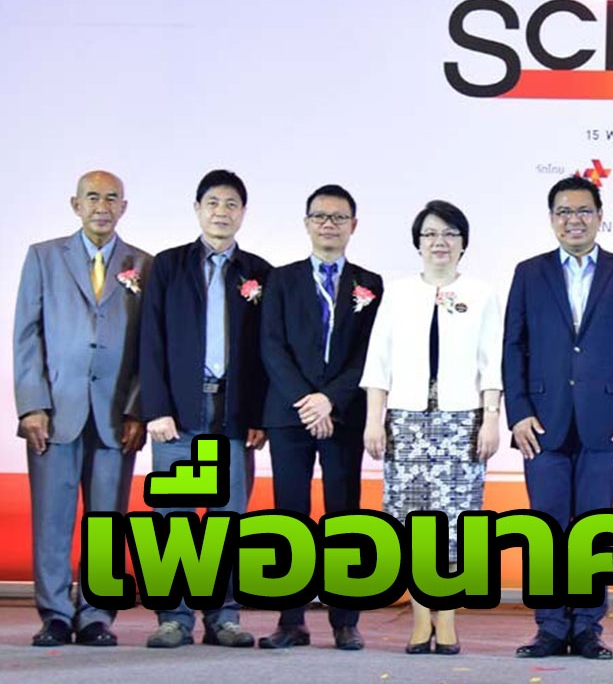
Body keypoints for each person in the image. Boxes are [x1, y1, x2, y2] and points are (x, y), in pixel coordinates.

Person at [503, 175, 613, 660]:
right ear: (551, 219)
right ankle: (549, 627)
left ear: (600, 216)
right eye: (563, 211)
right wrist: (518, 413)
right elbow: (514, 346)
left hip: (605, 422)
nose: (574, 220)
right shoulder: (529, 272)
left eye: (583, 210)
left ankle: (587, 627)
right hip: (541, 421)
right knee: (546, 526)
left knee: (594, 526)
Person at [14, 171, 151, 647]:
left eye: (112, 199)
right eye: (93, 197)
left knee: (107, 520)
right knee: (51, 517)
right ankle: (54, 613)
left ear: (123, 208)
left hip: (116, 416)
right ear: (75, 204)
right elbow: (27, 334)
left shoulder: (143, 264)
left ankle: (96, 615)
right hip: (56, 411)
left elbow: (149, 346)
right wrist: (32, 404)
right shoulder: (44, 257)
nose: (102, 206)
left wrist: (137, 409)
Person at [139, 169, 272, 648]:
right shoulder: (169, 266)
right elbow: (150, 339)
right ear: (197, 209)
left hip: (232, 412)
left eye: (232, 204)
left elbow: (266, 351)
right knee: (172, 517)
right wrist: (156, 407)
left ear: (243, 213)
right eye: (213, 202)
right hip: (177, 412)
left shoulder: (259, 272)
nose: (222, 212)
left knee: (226, 519)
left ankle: (223, 617)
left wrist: (258, 415)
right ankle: (173, 618)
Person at [361, 200, 501, 655]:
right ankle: (422, 620)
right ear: (418, 242)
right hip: (407, 422)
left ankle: (449, 620)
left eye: (449, 234)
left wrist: (491, 418)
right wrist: (375, 420)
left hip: (462, 422)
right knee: (412, 525)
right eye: (430, 234)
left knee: (457, 526)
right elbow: (379, 361)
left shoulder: (481, 293)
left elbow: (491, 362)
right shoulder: (399, 292)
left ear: (463, 243)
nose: (440, 242)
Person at [258, 184, 382, 651]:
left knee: (344, 515)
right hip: (290, 414)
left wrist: (330, 400)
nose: (329, 224)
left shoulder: (370, 284)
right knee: (289, 515)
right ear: (307, 223)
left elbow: (369, 353)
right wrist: (307, 401)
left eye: (338, 217)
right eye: (320, 216)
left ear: (354, 225)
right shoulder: (281, 279)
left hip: (343, 415)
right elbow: (271, 346)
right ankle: (290, 621)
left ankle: (345, 621)